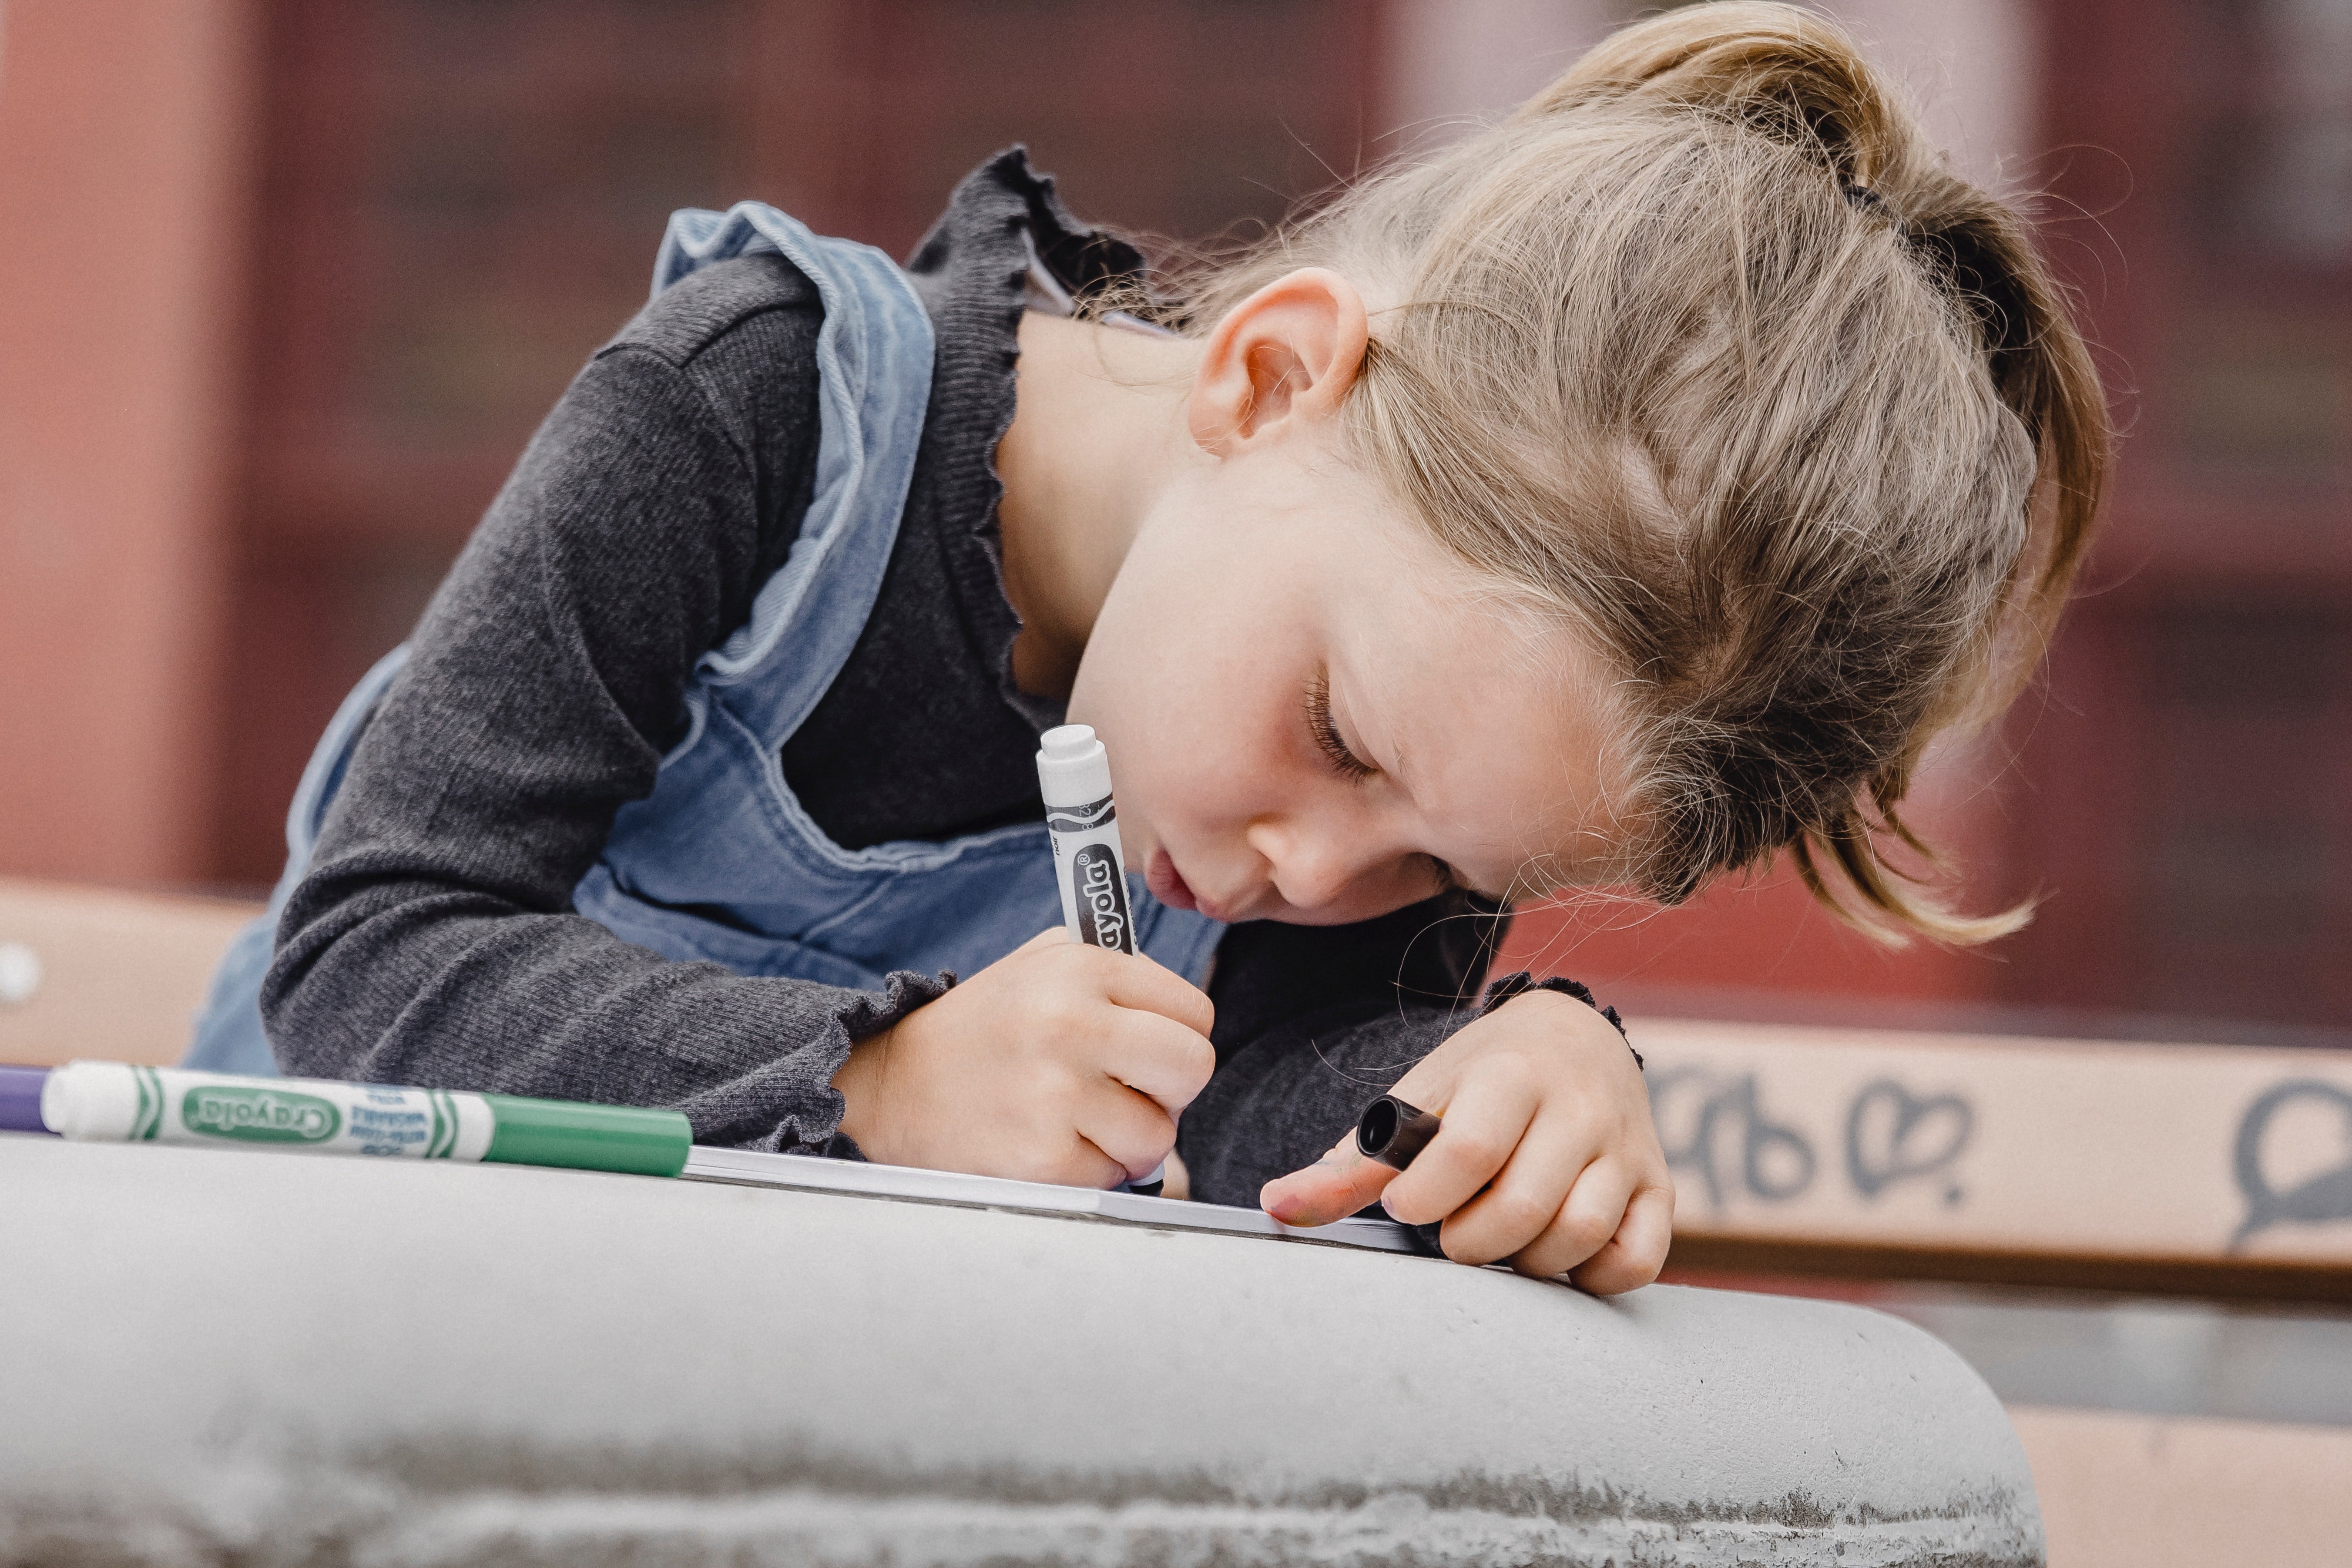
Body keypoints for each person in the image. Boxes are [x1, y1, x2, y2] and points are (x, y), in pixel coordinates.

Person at [188, 2, 2107, 1296]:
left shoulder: (1379, 765)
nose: (1316, 874)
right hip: (315, 1303)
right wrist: (869, 1084)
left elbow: (1255, 1113)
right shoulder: (753, 414)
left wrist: (1489, 1087)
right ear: (1272, 374)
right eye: (1340, 736)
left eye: (1444, 869)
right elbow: (370, 950)